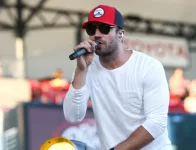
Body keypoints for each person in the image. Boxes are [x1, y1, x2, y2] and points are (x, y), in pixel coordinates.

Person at [63, 4, 172, 150]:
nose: (96, 34)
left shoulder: (148, 67)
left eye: (104, 28)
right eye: (91, 29)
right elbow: (72, 116)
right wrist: (81, 70)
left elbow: (157, 122)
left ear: (120, 34)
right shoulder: (87, 69)